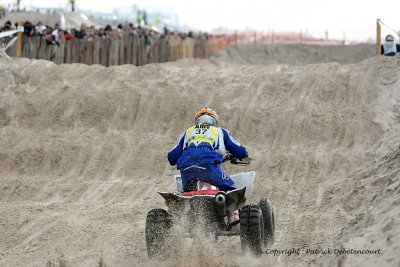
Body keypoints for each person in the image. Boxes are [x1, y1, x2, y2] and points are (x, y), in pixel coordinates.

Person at [168, 107, 249, 193]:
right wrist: (240, 154)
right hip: (208, 165)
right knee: (230, 188)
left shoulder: (188, 132)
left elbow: (171, 157)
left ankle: (187, 200)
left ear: (197, 121)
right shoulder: (220, 132)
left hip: (187, 168)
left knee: (187, 193)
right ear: (215, 121)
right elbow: (240, 151)